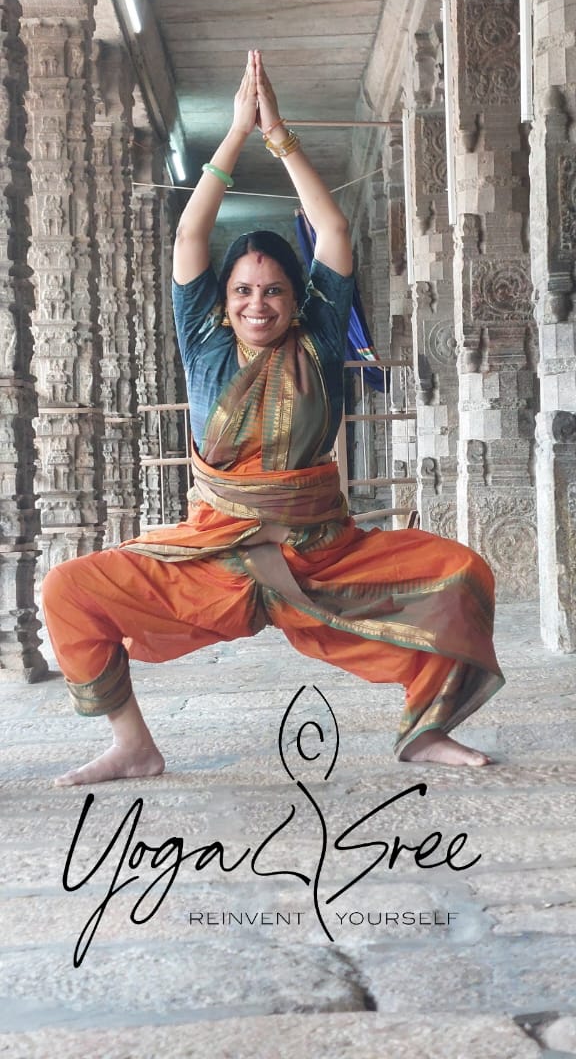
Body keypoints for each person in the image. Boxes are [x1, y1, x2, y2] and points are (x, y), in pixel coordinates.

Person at [42, 50, 504, 787]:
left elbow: (334, 231)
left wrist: (280, 138)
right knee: (68, 588)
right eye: (243, 292)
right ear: (222, 303)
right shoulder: (203, 343)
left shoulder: (319, 340)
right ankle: (133, 746)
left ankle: (428, 730)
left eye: (274, 291)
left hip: (320, 556)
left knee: (462, 574)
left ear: (297, 300)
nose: (257, 303)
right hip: (213, 558)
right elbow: (189, 238)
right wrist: (234, 135)